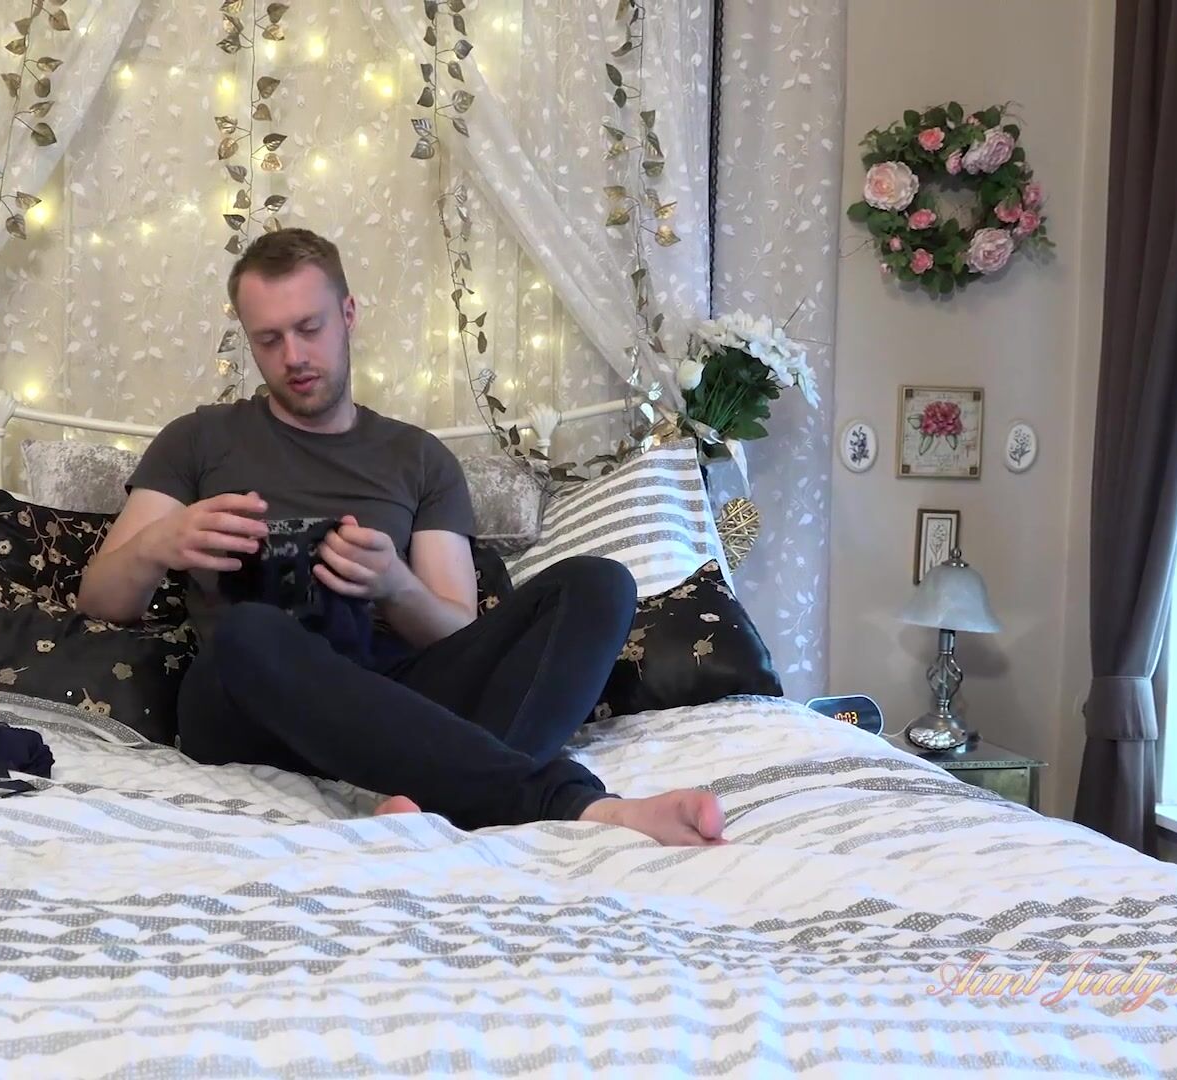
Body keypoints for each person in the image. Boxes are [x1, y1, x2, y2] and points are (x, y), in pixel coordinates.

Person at [77, 228, 724, 846]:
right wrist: (161, 542)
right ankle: (566, 800)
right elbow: (100, 599)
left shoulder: (417, 459)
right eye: (268, 340)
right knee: (250, 630)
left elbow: (455, 633)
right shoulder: (198, 439)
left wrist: (392, 584)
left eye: (309, 328)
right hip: (247, 698)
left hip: (392, 691)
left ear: (348, 314)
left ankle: (433, 793)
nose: (293, 357)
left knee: (599, 584)